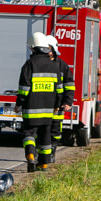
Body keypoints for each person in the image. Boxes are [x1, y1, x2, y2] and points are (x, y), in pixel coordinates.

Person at [16, 32, 60, 172]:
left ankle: (30, 155)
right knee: (45, 137)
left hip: (30, 109)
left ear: (33, 48)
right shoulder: (54, 66)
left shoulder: (29, 64)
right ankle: (44, 164)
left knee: (28, 134)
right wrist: (57, 105)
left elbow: (24, 89)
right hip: (48, 110)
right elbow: (59, 89)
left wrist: (19, 103)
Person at [47, 35, 74, 162]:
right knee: (41, 131)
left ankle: (52, 153)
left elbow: (69, 85)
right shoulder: (38, 63)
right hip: (43, 103)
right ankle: (42, 155)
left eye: (48, 49)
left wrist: (68, 102)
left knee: (55, 131)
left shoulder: (62, 65)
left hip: (58, 105)